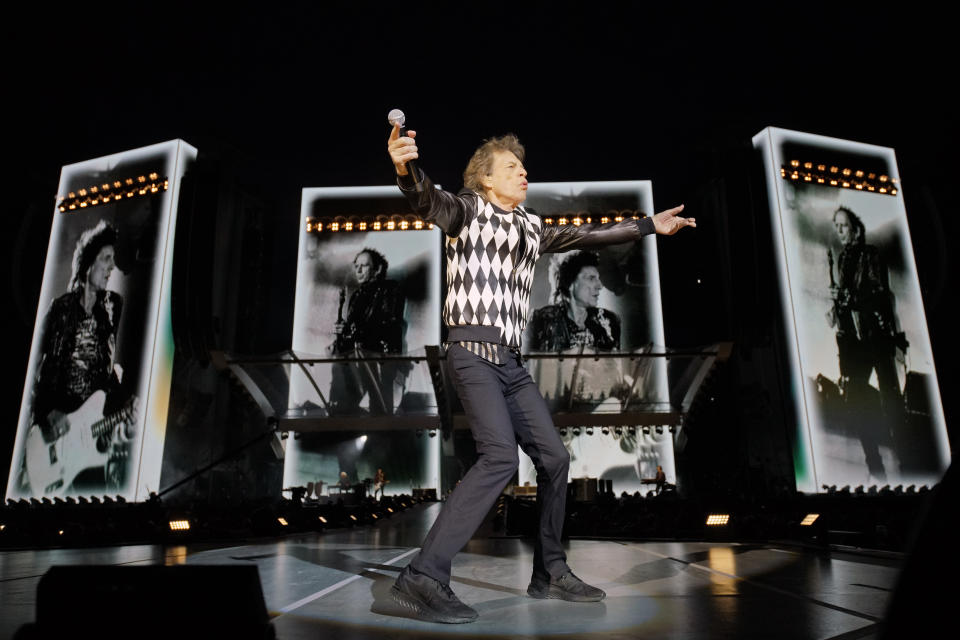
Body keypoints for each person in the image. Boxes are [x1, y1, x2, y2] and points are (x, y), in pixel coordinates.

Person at [386, 124, 694, 623]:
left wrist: (647, 227)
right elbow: (427, 202)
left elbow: (589, 234)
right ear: (485, 180)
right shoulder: (467, 209)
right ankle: (423, 576)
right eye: (511, 167)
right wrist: (405, 167)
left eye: (523, 166)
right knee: (500, 458)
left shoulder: (531, 226)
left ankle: (550, 572)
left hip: (510, 362)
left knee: (553, 458)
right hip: (471, 351)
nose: (523, 171)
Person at [24, 220, 138, 495]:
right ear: (88, 263)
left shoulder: (112, 307)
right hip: (55, 428)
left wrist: (126, 402)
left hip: (92, 430)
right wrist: (46, 410)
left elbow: (107, 372)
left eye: (113, 259)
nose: (111, 266)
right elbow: (31, 367)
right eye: (106, 258)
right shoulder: (61, 309)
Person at [827, 206, 906, 480]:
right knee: (857, 398)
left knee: (890, 397)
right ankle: (875, 466)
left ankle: (904, 458)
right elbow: (847, 300)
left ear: (856, 228)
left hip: (875, 336)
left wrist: (850, 298)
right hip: (855, 341)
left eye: (844, 225)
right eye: (836, 225)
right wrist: (836, 307)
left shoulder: (870, 253)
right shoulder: (841, 258)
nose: (839, 231)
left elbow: (878, 293)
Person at [328, 248, 408, 415]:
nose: (357, 270)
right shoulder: (357, 295)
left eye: (363, 266)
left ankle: (383, 435)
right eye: (356, 265)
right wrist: (343, 333)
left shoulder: (390, 289)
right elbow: (354, 329)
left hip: (382, 358)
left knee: (380, 406)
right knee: (350, 406)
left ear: (377, 269)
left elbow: (390, 324)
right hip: (360, 359)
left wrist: (354, 331)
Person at [528, 250, 620, 351]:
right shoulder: (541, 320)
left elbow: (615, 364)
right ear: (570, 282)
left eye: (598, 278)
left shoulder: (608, 321)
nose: (600, 286)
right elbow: (523, 362)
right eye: (591, 278)